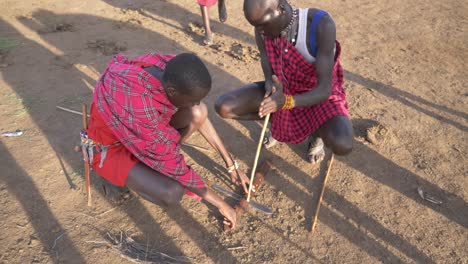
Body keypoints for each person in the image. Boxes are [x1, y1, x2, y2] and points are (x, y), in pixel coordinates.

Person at [83, 52, 250, 230]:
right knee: (171, 192)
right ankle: (120, 180)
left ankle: (151, 168)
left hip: (141, 134)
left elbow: (199, 114)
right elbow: (176, 168)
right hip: (111, 148)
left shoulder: (166, 66)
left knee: (198, 112)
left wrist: (232, 165)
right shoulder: (141, 106)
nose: (195, 103)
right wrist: (222, 205)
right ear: (171, 91)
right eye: (192, 100)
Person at [215, 0, 353, 163]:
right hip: (284, 90)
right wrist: (269, 83)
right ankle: (277, 124)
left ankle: (316, 135)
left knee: (342, 143)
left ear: (281, 9)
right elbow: (265, 57)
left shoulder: (320, 25)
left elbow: (324, 90)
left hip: (317, 95)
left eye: (262, 25)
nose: (259, 31)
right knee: (224, 107)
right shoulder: (263, 26)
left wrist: (286, 102)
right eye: (256, 26)